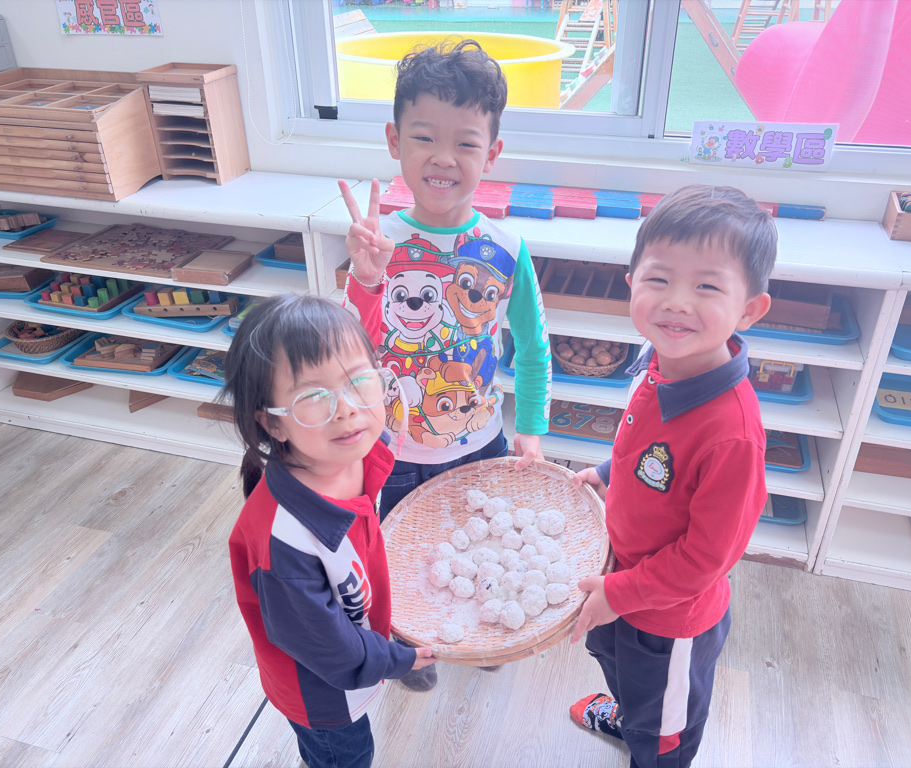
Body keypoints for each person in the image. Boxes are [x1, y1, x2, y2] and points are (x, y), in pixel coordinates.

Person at [337, 39, 553, 690]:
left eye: (465, 142)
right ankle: (409, 647)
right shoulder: (379, 242)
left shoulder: (507, 248)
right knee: (402, 564)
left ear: (492, 153)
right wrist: (365, 280)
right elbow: (348, 351)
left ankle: (481, 632)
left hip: (480, 445)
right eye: (424, 137)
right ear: (394, 140)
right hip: (393, 451)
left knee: (479, 551)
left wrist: (531, 427)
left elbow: (533, 347)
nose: (443, 157)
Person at [568, 184, 776, 768]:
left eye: (707, 287)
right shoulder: (659, 361)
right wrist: (606, 473)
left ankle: (652, 746)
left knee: (665, 728)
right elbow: (651, 455)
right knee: (618, 668)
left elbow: (706, 559)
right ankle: (631, 714)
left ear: (749, 309)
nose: (677, 302)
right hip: (621, 579)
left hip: (669, 620)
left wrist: (619, 594)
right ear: (631, 281)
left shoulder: (732, 434)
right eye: (659, 279)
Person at [224, 294, 435, 768]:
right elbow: (329, 650)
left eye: (358, 381)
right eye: (313, 397)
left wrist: (367, 282)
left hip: (356, 642)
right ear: (273, 423)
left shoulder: (354, 454)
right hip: (321, 692)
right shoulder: (285, 542)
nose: (347, 408)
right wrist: (396, 660)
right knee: (347, 756)